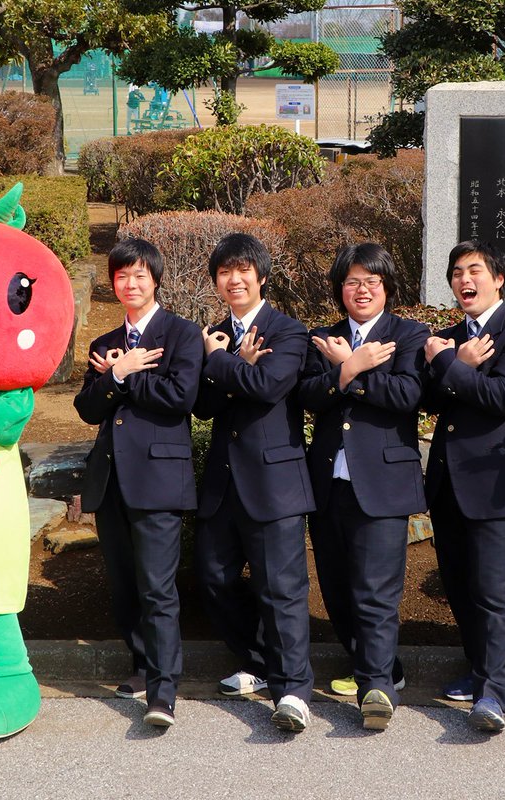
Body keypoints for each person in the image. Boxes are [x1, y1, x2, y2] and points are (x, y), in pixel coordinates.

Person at [73, 237, 204, 729]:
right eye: (122, 276)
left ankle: (163, 691)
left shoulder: (182, 334)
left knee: (158, 587)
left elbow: (179, 397)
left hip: (158, 480)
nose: (130, 284)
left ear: (156, 280)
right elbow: (87, 409)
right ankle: (142, 664)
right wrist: (114, 375)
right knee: (125, 584)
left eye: (139, 276)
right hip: (110, 482)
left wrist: (125, 376)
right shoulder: (103, 344)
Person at [297, 243, 428, 730]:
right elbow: (308, 395)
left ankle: (375, 686)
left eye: (372, 281)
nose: (362, 289)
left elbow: (407, 395)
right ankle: (377, 664)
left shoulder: (409, 335)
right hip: (329, 482)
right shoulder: (322, 338)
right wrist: (349, 367)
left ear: (387, 287)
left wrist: (349, 369)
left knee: (376, 590)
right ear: (340, 290)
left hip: (383, 484)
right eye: (352, 282)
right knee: (336, 587)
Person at [422, 240, 505, 733]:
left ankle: (496, 692)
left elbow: (504, 397)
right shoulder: (449, 336)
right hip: (448, 483)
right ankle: (481, 668)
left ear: (499, 278)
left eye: (474, 270)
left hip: (496, 485)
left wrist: (453, 365)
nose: (463, 280)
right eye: (456, 272)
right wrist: (455, 364)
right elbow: (426, 398)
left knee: (496, 591)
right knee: (460, 584)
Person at [192, 232, 317, 733]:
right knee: (214, 577)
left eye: (244, 271)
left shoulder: (288, 331)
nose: (235, 279)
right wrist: (226, 365)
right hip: (224, 482)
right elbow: (202, 406)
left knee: (281, 589)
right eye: (225, 272)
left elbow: (267, 386)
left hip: (274, 481)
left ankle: (294, 691)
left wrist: (221, 363)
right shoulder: (215, 333)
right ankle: (261, 661)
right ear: (217, 282)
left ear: (261, 276)